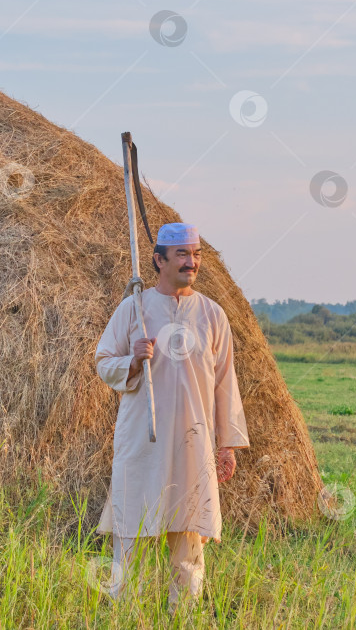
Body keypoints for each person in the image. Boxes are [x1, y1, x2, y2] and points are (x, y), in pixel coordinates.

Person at [94, 222, 250, 610]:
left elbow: (225, 383)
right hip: (143, 439)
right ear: (159, 260)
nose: (191, 262)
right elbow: (103, 362)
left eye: (196, 255)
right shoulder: (135, 308)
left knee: (190, 531)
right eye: (182, 254)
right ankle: (123, 612)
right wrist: (133, 359)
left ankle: (184, 614)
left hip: (193, 443)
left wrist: (226, 444)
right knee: (131, 526)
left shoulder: (213, 315)